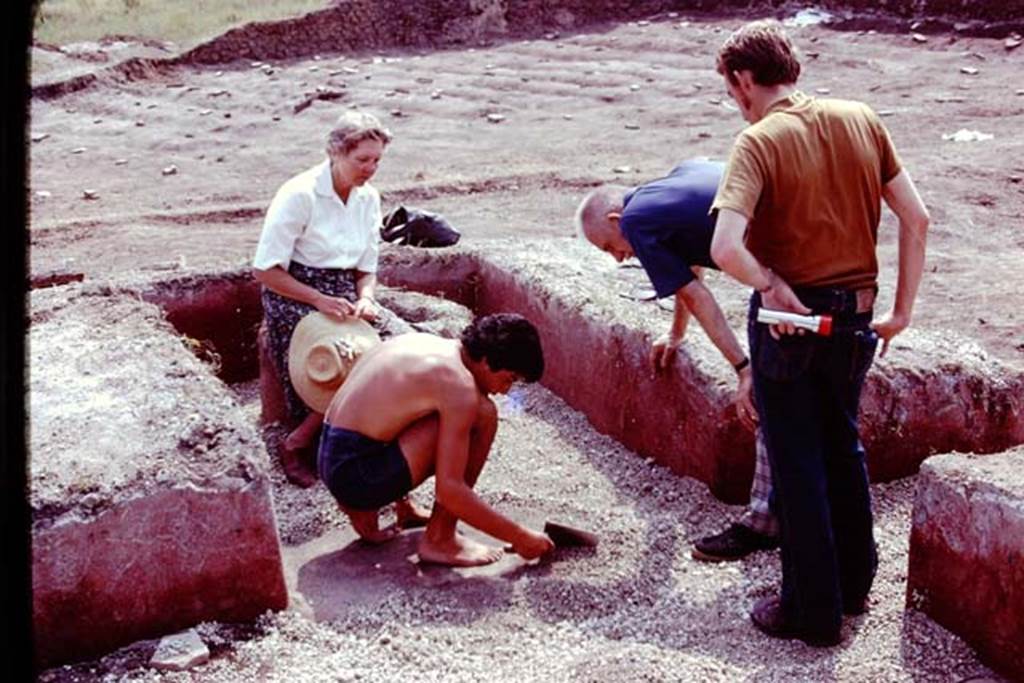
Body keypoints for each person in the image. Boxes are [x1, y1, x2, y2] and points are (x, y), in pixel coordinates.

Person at [709, 20, 929, 646]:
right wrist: (902, 311)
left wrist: (770, 281)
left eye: (732, 90)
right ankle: (856, 585)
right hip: (857, 317)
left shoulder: (758, 141)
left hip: (790, 322)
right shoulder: (861, 117)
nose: (736, 101)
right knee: (843, 446)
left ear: (744, 79)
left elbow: (725, 247)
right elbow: (918, 216)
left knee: (797, 460)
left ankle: (811, 611)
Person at [575, 162, 779, 561]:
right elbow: (691, 271)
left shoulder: (635, 223)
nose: (618, 258)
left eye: (608, 247)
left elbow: (698, 296)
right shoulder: (677, 178)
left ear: (615, 220)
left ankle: (763, 524)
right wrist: (677, 334)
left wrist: (742, 368)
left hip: (782, 270)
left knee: (766, 398)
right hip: (819, 240)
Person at [318, 313, 556, 567]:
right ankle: (440, 538)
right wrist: (521, 537)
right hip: (356, 475)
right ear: (486, 361)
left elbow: (388, 416)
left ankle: (388, 507)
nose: (505, 390)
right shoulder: (458, 385)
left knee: (431, 409)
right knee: (484, 415)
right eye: (509, 379)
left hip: (332, 457)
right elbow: (450, 490)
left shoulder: (433, 345)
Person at [253, 110, 397, 487]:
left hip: (344, 292)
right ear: (335, 152)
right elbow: (266, 271)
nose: (370, 168)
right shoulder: (300, 194)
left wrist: (366, 299)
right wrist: (317, 299)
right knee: (340, 353)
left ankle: (361, 436)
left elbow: (367, 266)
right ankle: (295, 443)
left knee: (392, 347)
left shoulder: (368, 198)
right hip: (294, 289)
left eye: (377, 160)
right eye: (361, 159)